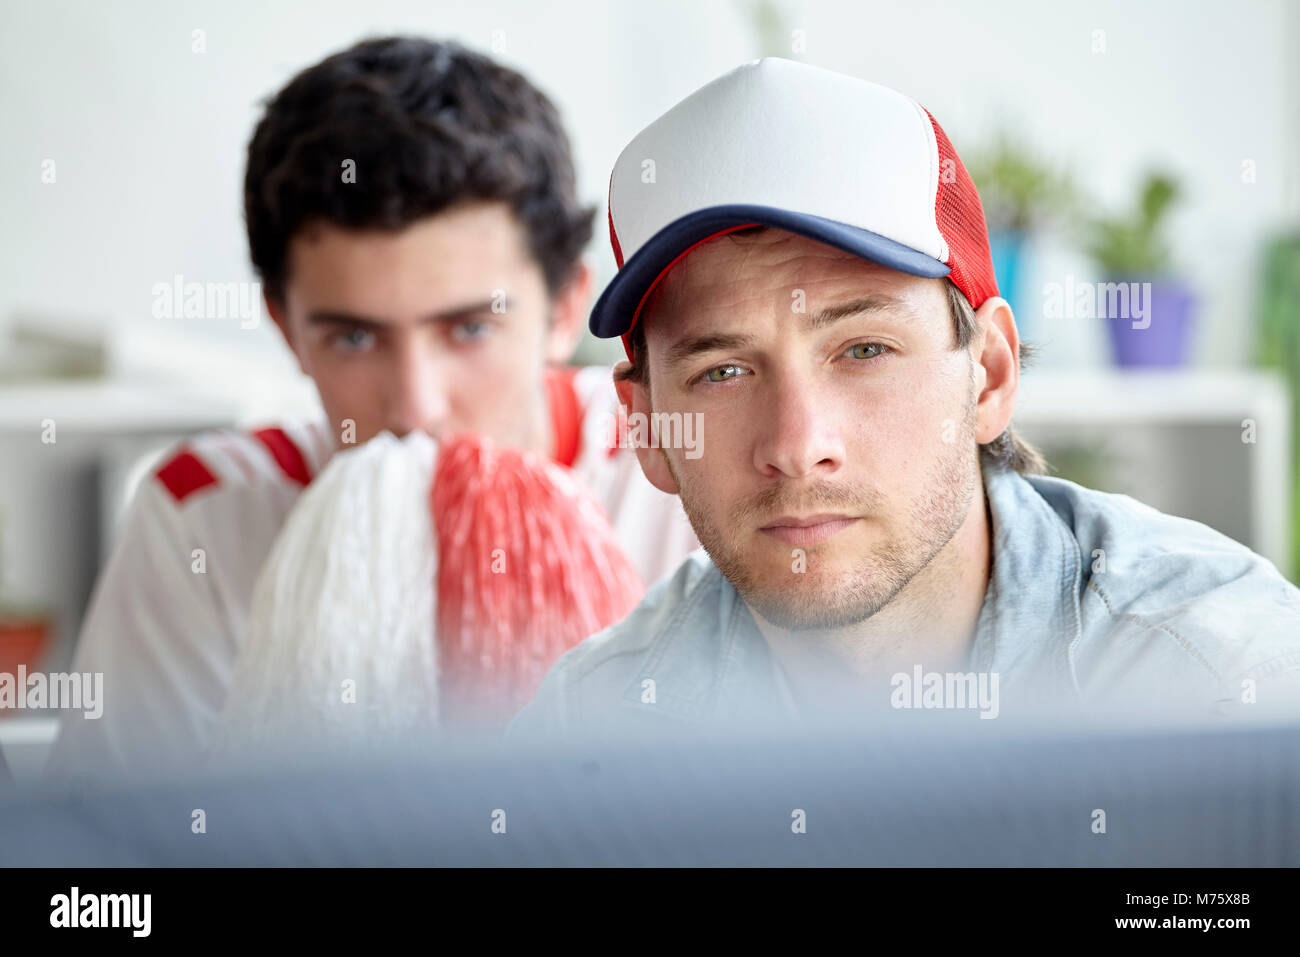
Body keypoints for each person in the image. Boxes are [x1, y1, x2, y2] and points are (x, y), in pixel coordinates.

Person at [509, 57, 1300, 742]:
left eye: (864, 350)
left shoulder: (1228, 684)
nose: (797, 442)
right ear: (646, 427)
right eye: (723, 371)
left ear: (987, 375)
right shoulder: (591, 738)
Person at [48, 36, 697, 780]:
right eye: (354, 336)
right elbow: (109, 848)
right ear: (286, 328)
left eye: (470, 328)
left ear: (563, 308)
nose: (415, 407)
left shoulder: (677, 469)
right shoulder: (205, 513)